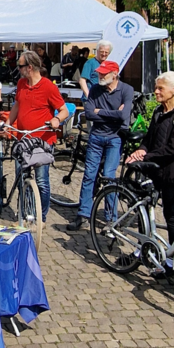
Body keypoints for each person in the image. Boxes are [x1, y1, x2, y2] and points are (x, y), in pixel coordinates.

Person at [126, 72, 174, 256]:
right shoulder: (158, 111)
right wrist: (141, 149)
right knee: (144, 210)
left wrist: (146, 157)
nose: (155, 91)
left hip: (172, 171)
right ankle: (142, 249)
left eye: (160, 88)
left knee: (171, 216)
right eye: (156, 88)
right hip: (153, 171)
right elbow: (149, 138)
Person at [0, 51, 68, 223]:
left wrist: (57, 119)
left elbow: (64, 110)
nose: (18, 69)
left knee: (42, 181)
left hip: (42, 141)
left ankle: (40, 217)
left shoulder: (48, 86)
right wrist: (8, 124)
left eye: (20, 66)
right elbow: (17, 106)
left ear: (29, 67)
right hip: (23, 139)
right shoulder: (21, 84)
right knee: (22, 177)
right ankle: (26, 211)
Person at [67, 60, 134, 231]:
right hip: (96, 136)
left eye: (104, 73)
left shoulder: (126, 90)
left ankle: (111, 219)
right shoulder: (96, 89)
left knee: (110, 176)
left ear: (115, 74)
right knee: (89, 175)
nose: (100, 76)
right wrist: (113, 114)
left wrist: (101, 112)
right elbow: (89, 114)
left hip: (115, 137)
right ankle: (83, 215)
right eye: (99, 73)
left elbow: (123, 116)